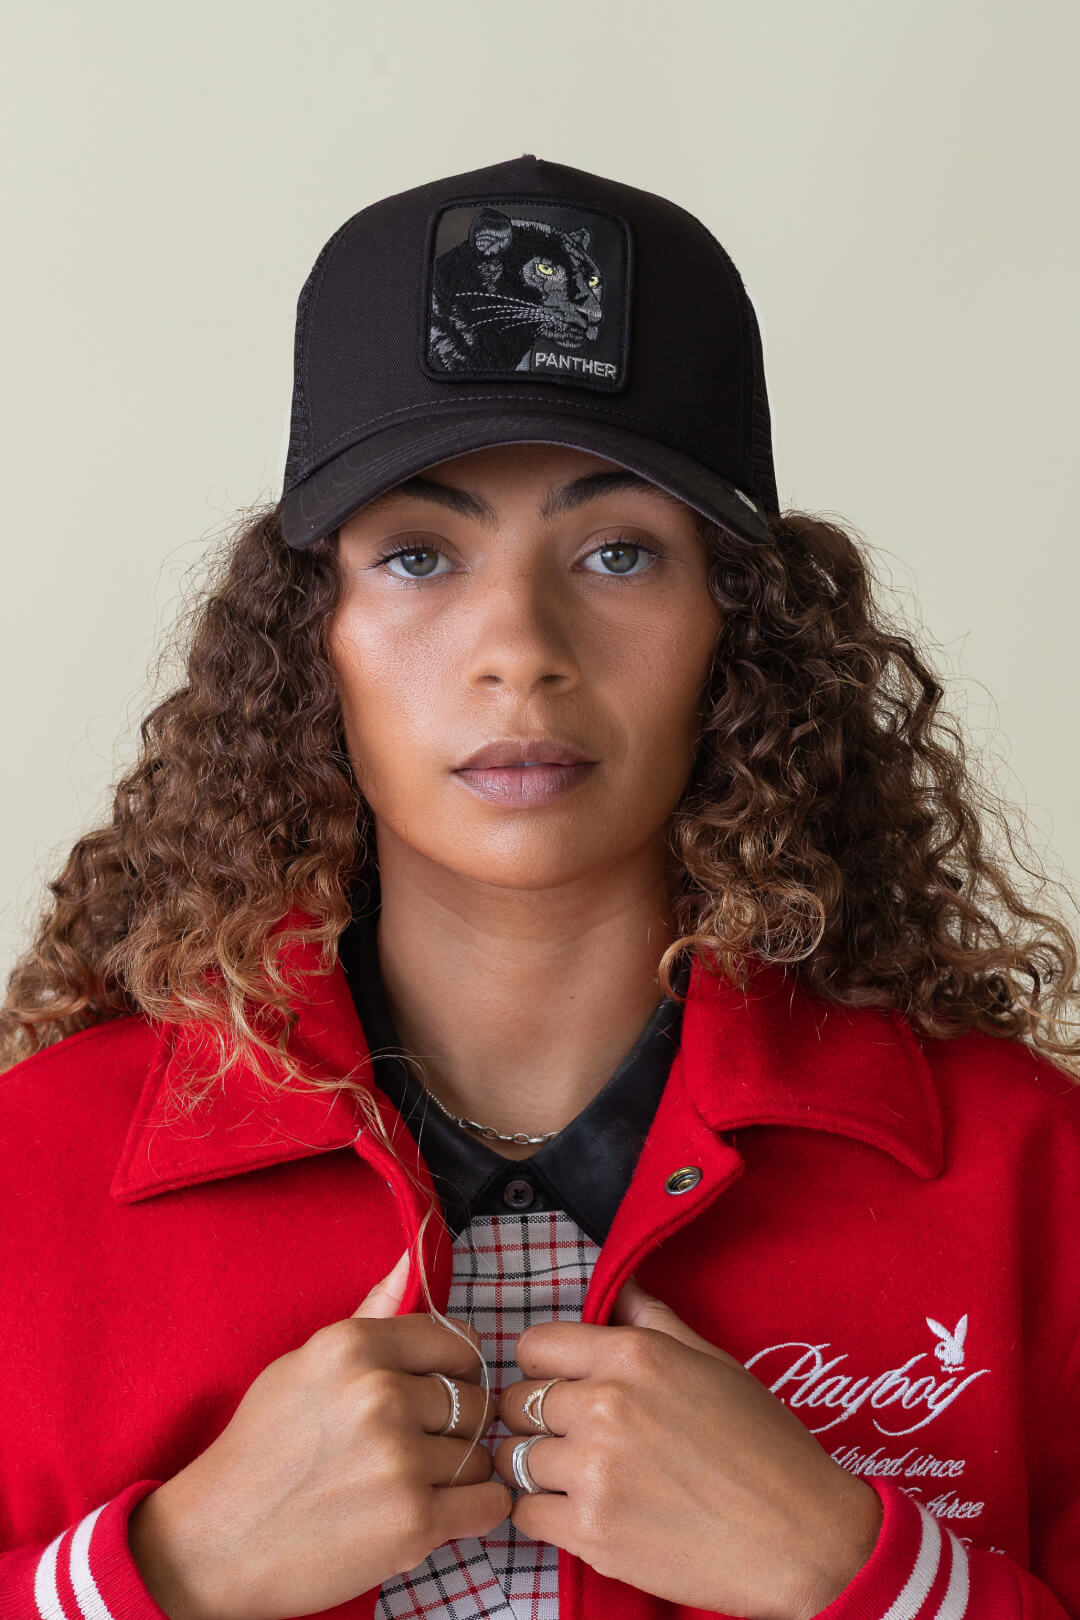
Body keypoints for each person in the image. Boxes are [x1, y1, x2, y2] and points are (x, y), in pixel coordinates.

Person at [1, 153, 1077, 1620]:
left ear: (742, 637)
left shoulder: (1033, 1180)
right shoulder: (32, 1173)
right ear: (307, 643)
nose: (520, 645)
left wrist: (871, 1579)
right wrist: (165, 1577)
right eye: (420, 555)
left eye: (619, 551)